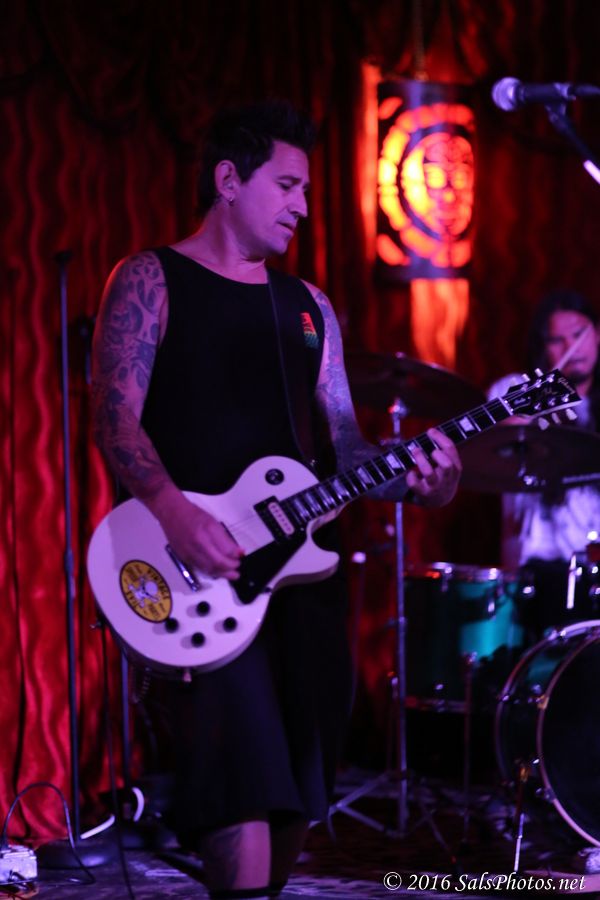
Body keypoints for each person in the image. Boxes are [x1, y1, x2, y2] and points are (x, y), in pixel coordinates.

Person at [91, 100, 462, 900]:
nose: (303, 206)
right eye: (288, 187)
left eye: (306, 191)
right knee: (244, 785)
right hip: (199, 572)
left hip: (301, 577)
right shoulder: (151, 279)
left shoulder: (309, 307)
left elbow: (347, 449)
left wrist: (423, 480)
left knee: (300, 778)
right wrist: (175, 511)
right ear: (229, 180)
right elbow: (114, 417)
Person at [488, 289, 600, 635]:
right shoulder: (514, 390)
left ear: (597, 335)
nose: (572, 346)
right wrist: (548, 389)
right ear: (543, 347)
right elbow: (499, 442)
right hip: (533, 570)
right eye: (557, 339)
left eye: (579, 334)